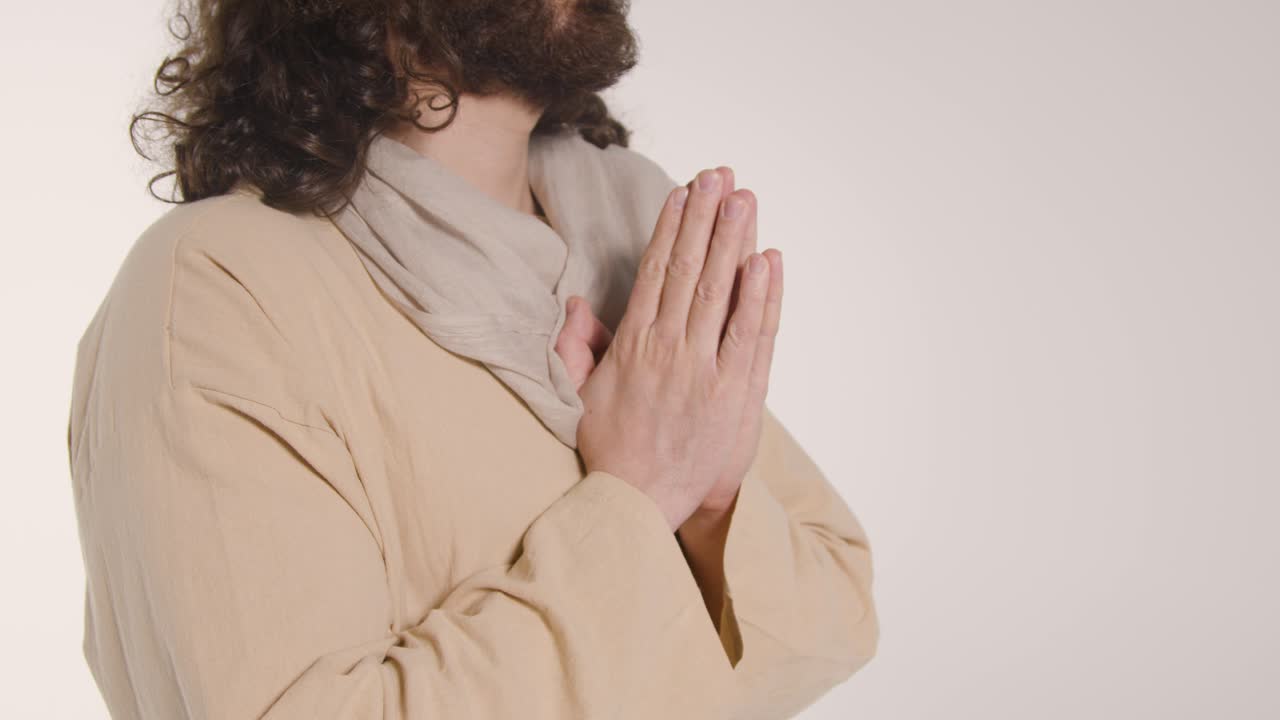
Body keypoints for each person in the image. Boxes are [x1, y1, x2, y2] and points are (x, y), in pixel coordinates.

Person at [66, 1, 879, 717]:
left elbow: (835, 619)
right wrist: (638, 499)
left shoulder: (633, 235)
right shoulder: (222, 287)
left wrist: (709, 501)